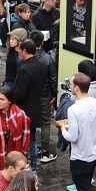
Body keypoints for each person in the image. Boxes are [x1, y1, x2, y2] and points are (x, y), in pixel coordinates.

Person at [13, 40, 47, 171]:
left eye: (21, 50)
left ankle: (28, 165)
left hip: (24, 110)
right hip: (36, 106)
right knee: (32, 138)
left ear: (25, 51)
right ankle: (33, 165)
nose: (20, 53)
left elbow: (19, 94)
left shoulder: (24, 69)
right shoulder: (42, 65)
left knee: (26, 140)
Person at [29, 31, 57, 164]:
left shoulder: (27, 57)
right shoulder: (48, 58)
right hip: (44, 95)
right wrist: (53, 94)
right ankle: (45, 151)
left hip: (31, 95)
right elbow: (52, 78)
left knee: (31, 122)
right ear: (43, 42)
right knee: (46, 123)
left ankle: (32, 147)